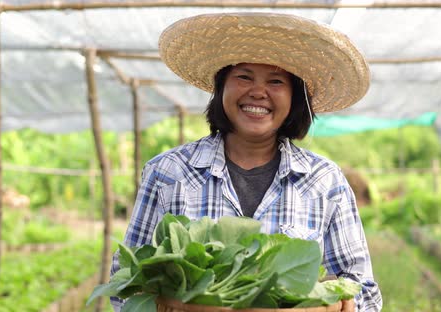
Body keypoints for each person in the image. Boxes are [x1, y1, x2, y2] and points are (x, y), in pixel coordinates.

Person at [111, 12, 382, 312]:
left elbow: (366, 294)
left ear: (295, 97)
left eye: (276, 80)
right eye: (244, 76)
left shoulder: (325, 182)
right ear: (220, 87)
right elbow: (125, 287)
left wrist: (328, 304)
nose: (258, 91)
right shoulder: (167, 174)